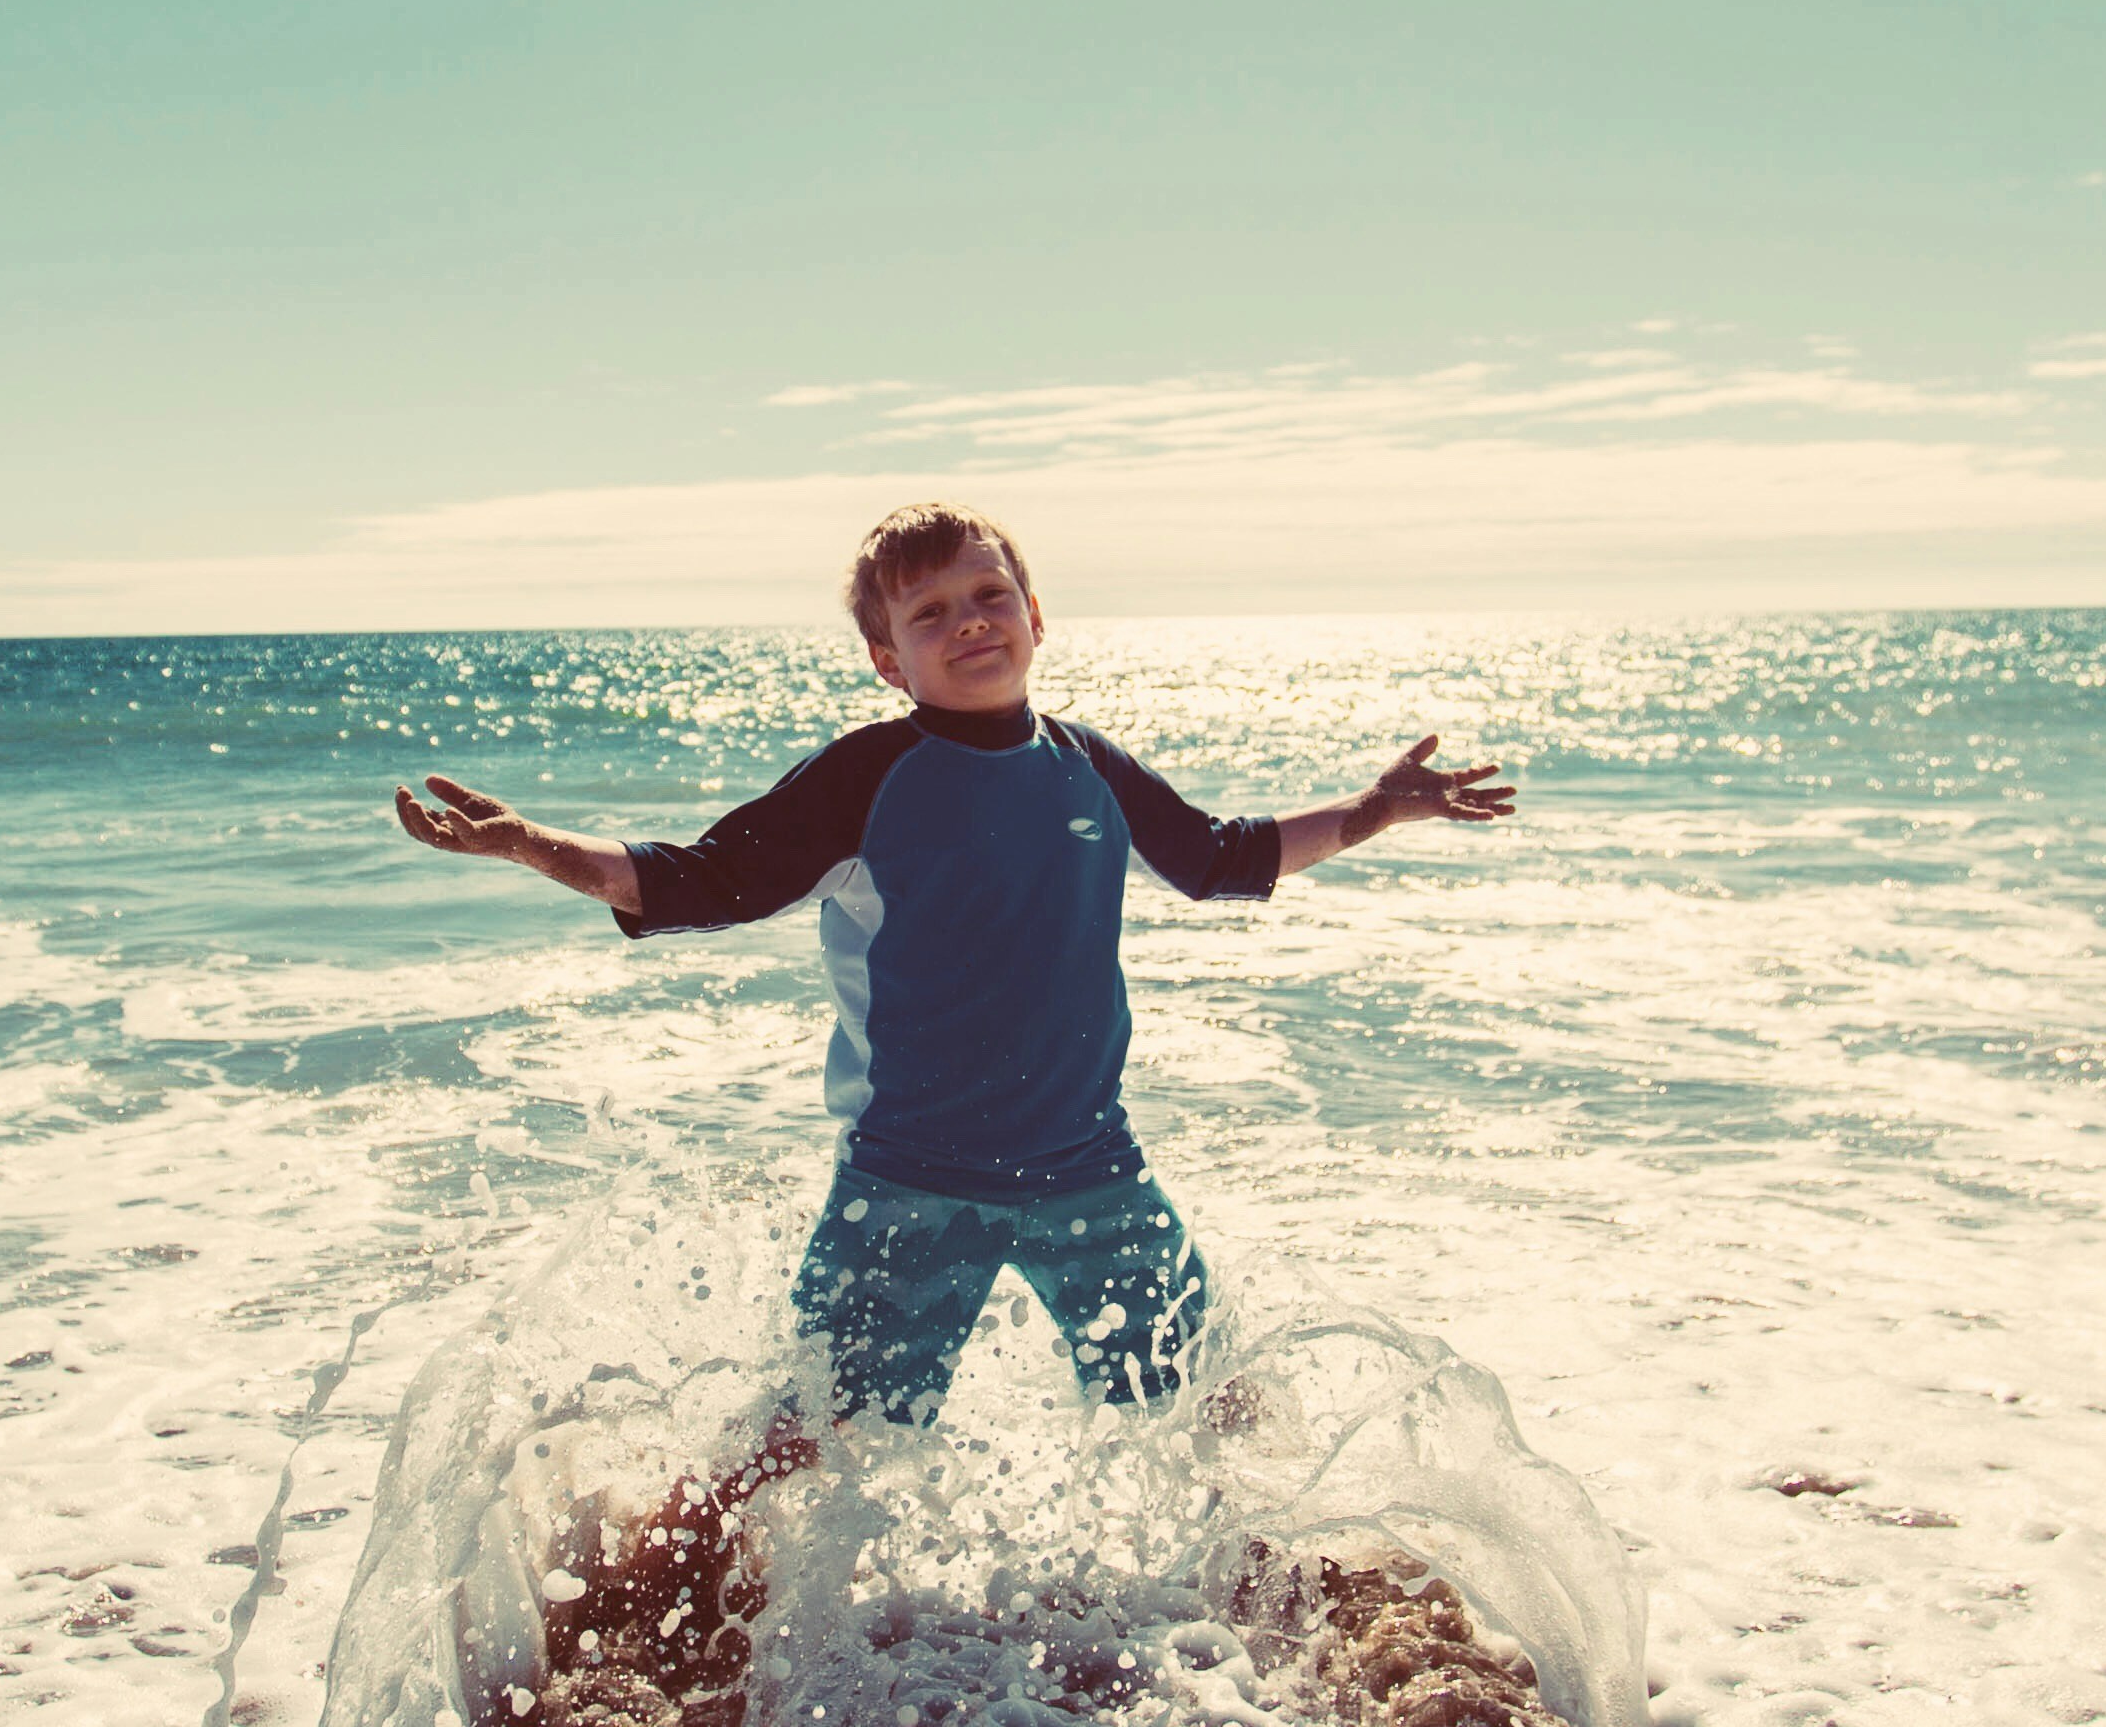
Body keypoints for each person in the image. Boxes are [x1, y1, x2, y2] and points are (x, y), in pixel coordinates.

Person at [392, 502, 1510, 1474]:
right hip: (912, 1189)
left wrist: (1372, 812)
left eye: (989, 594)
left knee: (1209, 1415)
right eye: (929, 613)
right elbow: (705, 881)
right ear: (888, 660)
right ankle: (686, 1605)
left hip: (1093, 1174)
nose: (970, 620)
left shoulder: (1091, 766)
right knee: (822, 1444)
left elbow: (1221, 856)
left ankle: (1241, 1609)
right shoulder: (867, 777)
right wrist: (541, 849)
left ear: (1035, 614)